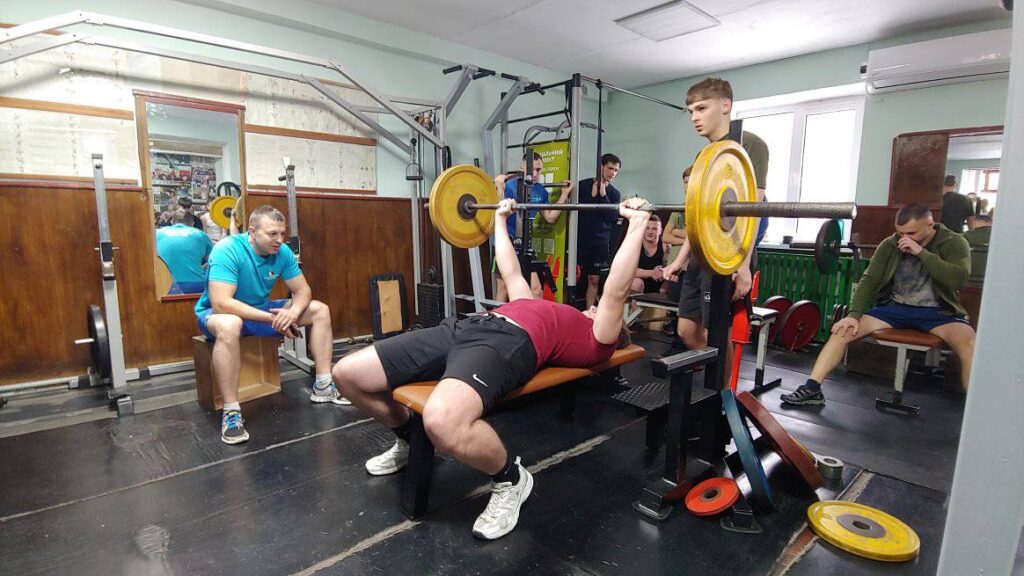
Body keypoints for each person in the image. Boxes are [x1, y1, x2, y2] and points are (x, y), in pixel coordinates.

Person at [332, 197, 652, 541]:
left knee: (441, 421)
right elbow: (511, 272)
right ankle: (409, 438)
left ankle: (510, 478)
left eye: (599, 311)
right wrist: (500, 218)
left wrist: (636, 225)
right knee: (347, 374)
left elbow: (615, 290)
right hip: (466, 326)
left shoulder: (598, 339)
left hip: (506, 343)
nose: (594, 308)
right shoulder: (542, 307)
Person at [782, 203, 975, 405]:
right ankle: (812, 389)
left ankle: (975, 411)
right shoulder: (890, 244)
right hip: (895, 309)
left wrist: (922, 253)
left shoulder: (954, 242)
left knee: (970, 344)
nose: (904, 238)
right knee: (842, 331)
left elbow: (959, 280)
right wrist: (853, 315)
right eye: (900, 233)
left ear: (930, 224)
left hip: (939, 313)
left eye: (911, 233)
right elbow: (870, 280)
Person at [195, 205, 344, 445]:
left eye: (282, 233)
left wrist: (292, 313)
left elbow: (303, 290)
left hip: (260, 309)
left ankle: (323, 385)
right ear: (252, 231)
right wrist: (274, 319)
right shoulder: (227, 249)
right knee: (231, 324)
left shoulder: (282, 252)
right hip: (218, 314)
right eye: (272, 234)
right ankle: (231, 412)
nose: (279, 240)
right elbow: (221, 303)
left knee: (319, 310)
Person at [662, 77, 770, 353]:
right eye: (691, 112)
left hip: (729, 256)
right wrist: (680, 260)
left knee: (718, 333)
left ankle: (723, 381)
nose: (694, 118)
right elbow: (701, 217)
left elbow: (754, 209)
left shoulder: (750, 145)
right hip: (701, 254)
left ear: (725, 105)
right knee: (686, 330)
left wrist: (743, 265)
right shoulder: (704, 154)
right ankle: (716, 371)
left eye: (701, 108)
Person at [493, 152, 573, 301]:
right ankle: (497, 317)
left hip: (526, 244)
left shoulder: (540, 191)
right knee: (503, 290)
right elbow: (498, 212)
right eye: (533, 169)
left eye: (539, 170)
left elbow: (550, 217)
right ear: (522, 168)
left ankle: (533, 317)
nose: (536, 174)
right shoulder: (508, 187)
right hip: (507, 241)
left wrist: (564, 195)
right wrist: (499, 189)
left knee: (536, 290)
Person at [576, 154, 623, 308]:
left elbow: (612, 218)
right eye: (610, 168)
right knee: (573, 277)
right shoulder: (582, 186)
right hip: (580, 239)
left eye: (616, 170)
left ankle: (590, 313)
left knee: (594, 279)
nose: (613, 173)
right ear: (601, 167)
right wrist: (592, 195)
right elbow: (578, 212)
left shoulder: (615, 193)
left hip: (600, 242)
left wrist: (603, 195)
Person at [156, 208, 214, 295]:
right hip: (195, 284)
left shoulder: (158, 233)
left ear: (172, 221)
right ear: (193, 223)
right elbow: (212, 261)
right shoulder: (200, 234)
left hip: (164, 285)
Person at [631, 214, 666, 294]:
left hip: (659, 284)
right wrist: (651, 273)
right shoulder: (635, 245)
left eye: (654, 229)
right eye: (647, 228)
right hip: (639, 285)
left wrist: (663, 271)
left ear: (660, 231)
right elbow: (627, 271)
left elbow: (670, 267)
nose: (650, 232)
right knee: (636, 283)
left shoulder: (665, 246)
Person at [963, 213, 992, 283]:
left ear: (975, 223)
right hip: (992, 279)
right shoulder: (1001, 238)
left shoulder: (964, 237)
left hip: (968, 280)